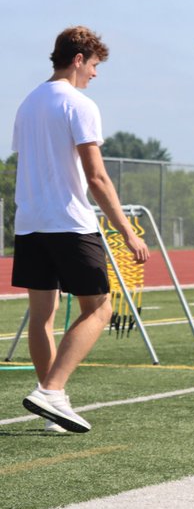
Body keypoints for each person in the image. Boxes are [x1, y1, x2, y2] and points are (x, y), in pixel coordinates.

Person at [12, 26, 150, 433]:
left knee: (42, 316)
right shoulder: (79, 104)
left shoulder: (27, 103)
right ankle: (51, 391)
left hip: (31, 223)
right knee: (100, 308)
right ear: (78, 60)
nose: (95, 74)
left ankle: (53, 403)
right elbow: (96, 176)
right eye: (93, 65)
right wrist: (126, 230)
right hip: (70, 223)